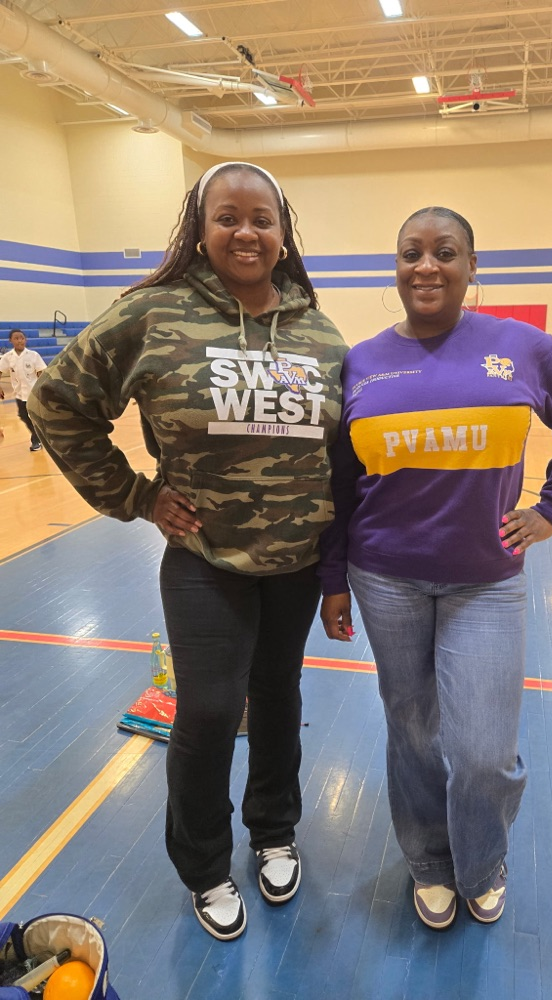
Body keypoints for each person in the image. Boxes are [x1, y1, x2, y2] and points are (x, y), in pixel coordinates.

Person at [28, 162, 348, 941]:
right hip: (206, 557)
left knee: (279, 697)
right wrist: (136, 496)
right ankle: (205, 866)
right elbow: (57, 402)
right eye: (228, 216)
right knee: (207, 710)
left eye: (262, 218)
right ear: (199, 228)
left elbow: (340, 447)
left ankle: (274, 830)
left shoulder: (316, 329)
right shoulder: (151, 313)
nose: (247, 231)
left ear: (284, 231)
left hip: (297, 563)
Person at [319, 206, 552, 931]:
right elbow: (337, 480)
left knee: (483, 751)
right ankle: (428, 864)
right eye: (410, 252)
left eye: (444, 252)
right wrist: (331, 579)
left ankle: (481, 862)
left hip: (487, 578)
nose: (426, 265)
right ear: (395, 268)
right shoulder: (360, 360)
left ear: (471, 266)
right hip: (384, 576)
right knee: (412, 730)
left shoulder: (522, 347)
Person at [0, 329, 46, 450]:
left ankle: (36, 440)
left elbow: (41, 372)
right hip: (19, 394)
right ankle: (38, 436)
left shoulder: (33, 355)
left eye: (22, 338)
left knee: (35, 417)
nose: (20, 340)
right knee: (23, 415)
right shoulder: (7, 357)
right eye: (16, 338)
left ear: (26, 340)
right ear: (10, 340)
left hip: (34, 393)